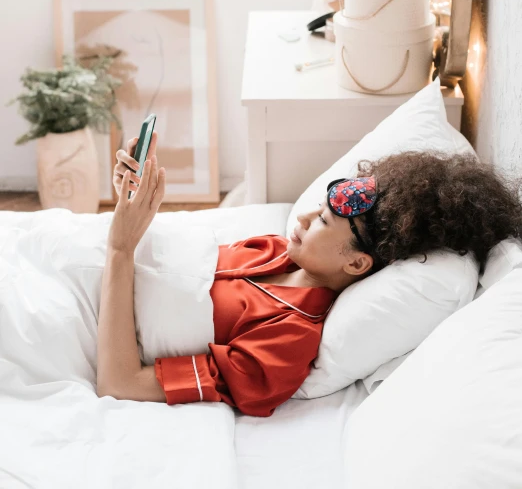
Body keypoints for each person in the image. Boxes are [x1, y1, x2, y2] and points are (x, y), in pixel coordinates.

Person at [96, 132, 522, 417]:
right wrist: (135, 202)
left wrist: (119, 248)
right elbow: (161, 269)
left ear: (356, 264)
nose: (301, 216)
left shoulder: (286, 343)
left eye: (321, 221)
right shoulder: (273, 251)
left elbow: (119, 383)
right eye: (319, 208)